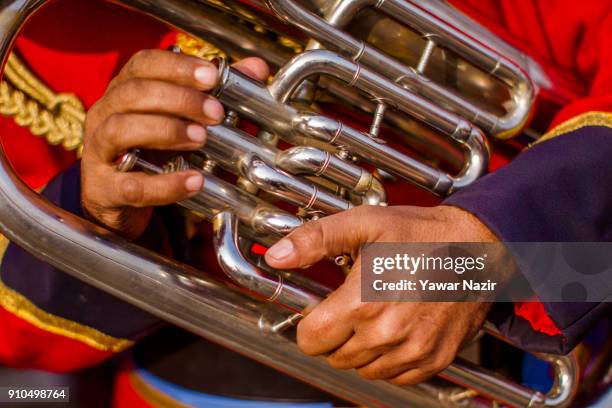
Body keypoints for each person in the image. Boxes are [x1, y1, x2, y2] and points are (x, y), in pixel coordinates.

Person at [0, 0, 610, 405]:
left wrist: (475, 254)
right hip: (220, 375)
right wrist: (100, 214)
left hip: (566, 322)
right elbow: (20, 343)